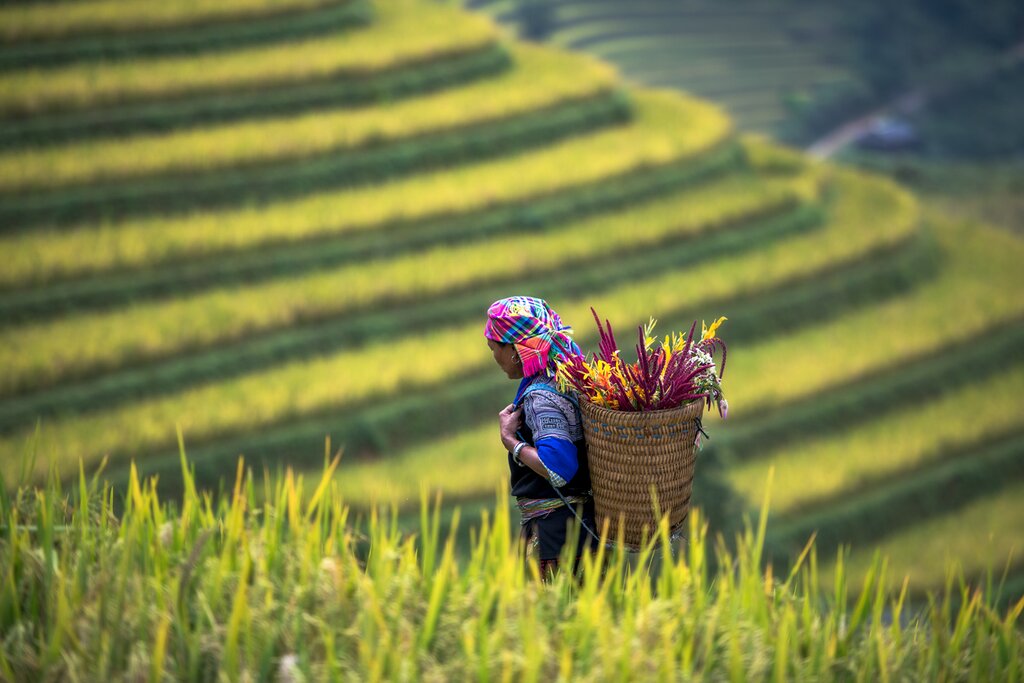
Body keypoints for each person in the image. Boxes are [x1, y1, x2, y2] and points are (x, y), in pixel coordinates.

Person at [484, 295, 599, 579]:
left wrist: (511, 441)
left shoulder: (542, 397)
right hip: (584, 531)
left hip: (556, 539)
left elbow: (558, 469)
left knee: (552, 619)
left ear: (514, 350)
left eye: (494, 348)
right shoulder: (564, 376)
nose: (494, 357)